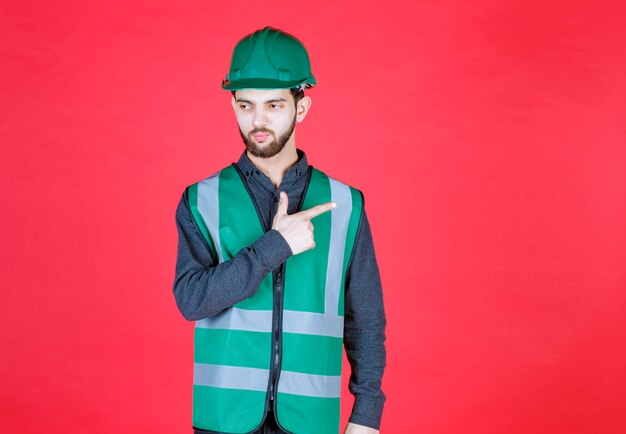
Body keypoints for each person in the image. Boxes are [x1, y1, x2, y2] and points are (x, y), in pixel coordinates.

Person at [173, 26, 386, 434]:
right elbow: (191, 299)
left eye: (273, 105)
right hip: (223, 418)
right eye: (245, 105)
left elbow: (367, 318)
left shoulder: (346, 204)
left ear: (300, 108)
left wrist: (367, 414)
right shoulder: (201, 200)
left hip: (311, 420)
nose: (258, 121)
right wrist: (275, 246)